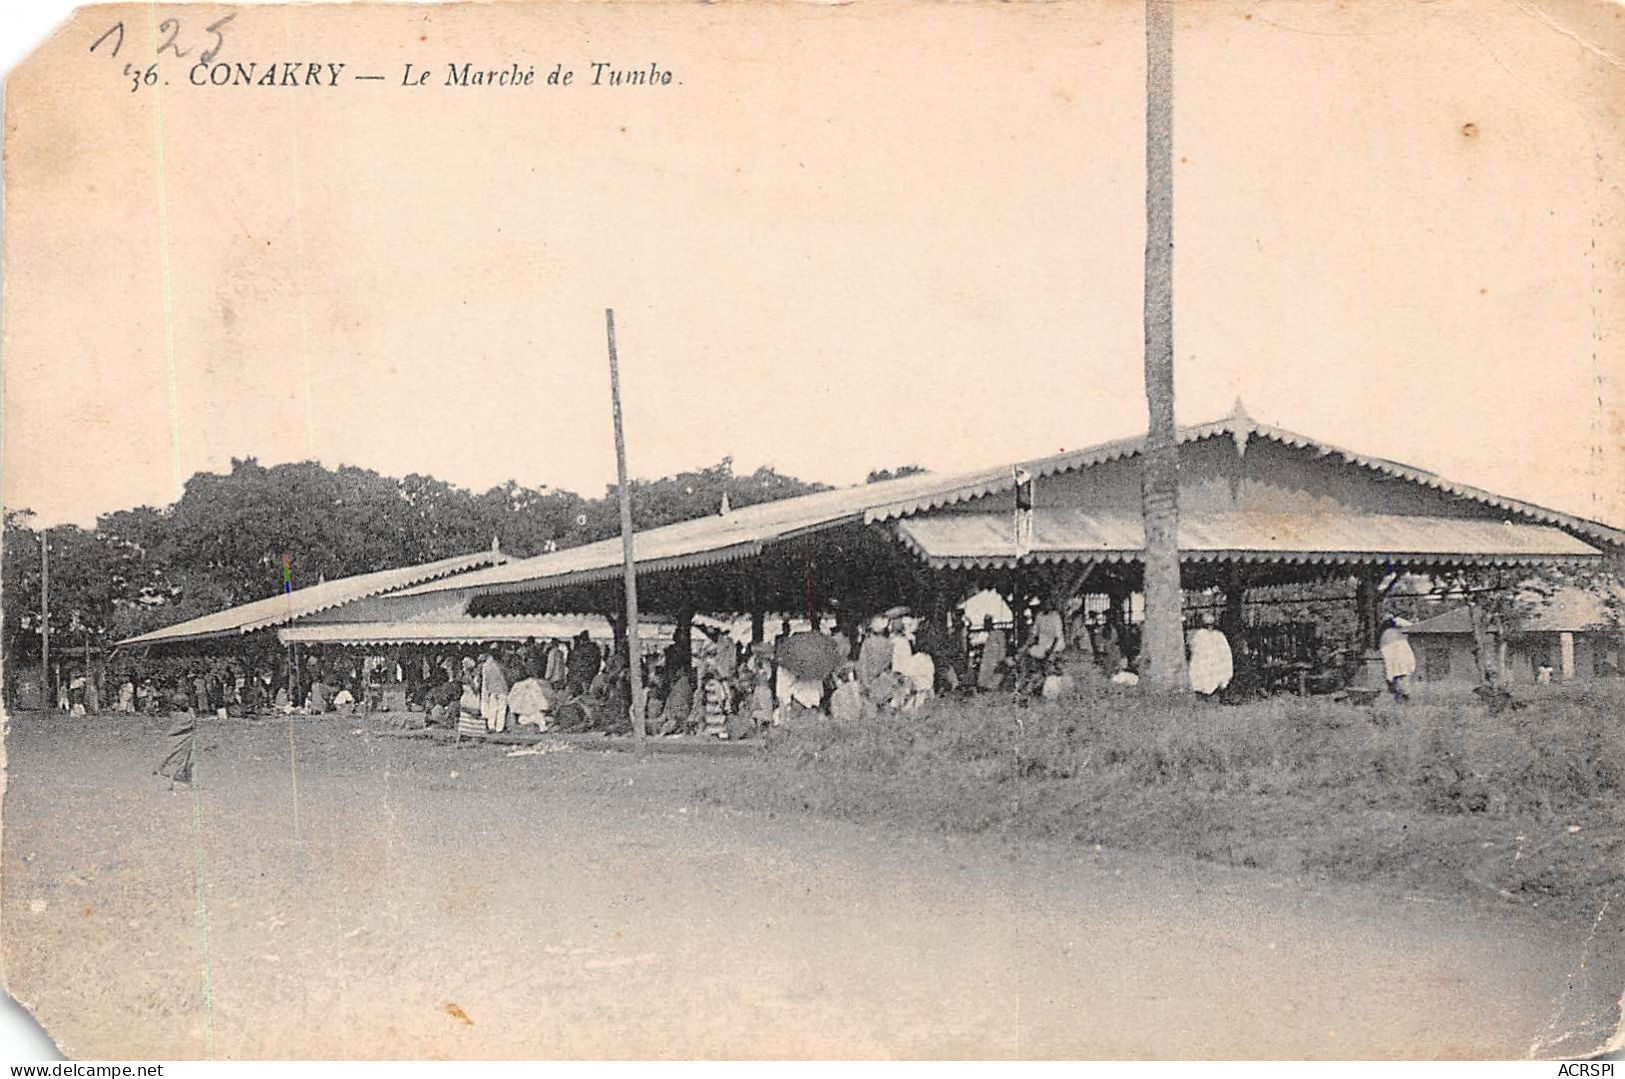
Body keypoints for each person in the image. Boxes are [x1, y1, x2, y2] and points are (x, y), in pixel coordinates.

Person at [1187, 615, 1233, 697]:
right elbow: (1195, 648)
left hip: (1215, 660)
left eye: (1211, 624)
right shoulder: (1199, 635)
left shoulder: (1218, 635)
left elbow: (1225, 650)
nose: (1209, 627)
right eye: (1207, 624)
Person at [1379, 617, 1417, 701]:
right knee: (1404, 681)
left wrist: (1389, 675)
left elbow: (1387, 654)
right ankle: (1404, 699)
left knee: (1399, 682)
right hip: (1406, 660)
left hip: (1397, 660)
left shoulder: (1386, 635)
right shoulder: (1397, 633)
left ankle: (1402, 699)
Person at [479, 650, 510, 733]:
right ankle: (499, 728)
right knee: (501, 709)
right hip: (502, 690)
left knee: (493, 709)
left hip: (492, 690)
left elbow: (485, 680)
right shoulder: (501, 666)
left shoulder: (485, 666)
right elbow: (505, 678)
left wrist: (486, 691)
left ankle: (491, 726)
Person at [977, 616, 1007, 691]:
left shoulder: (999, 634)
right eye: (985, 623)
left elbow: (1002, 648)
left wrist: (1000, 660)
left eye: (988, 623)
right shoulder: (985, 636)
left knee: (994, 682)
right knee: (983, 682)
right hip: (986, 662)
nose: (986, 625)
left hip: (995, 662)